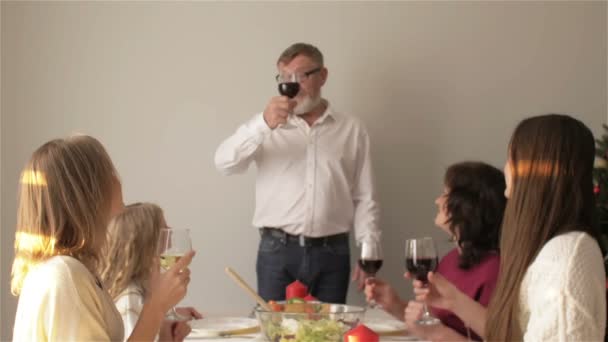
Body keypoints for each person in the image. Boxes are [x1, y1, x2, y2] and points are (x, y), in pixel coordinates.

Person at [413, 114, 607, 341]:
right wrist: (452, 300)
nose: (505, 168)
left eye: (511, 158)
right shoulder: (556, 251)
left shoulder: (564, 257)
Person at [214, 42, 381, 303]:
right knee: (277, 334)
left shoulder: (352, 129)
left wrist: (369, 250)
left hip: (333, 252)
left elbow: (365, 195)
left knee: (329, 332)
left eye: (301, 76)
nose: (292, 85)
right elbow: (224, 163)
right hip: (276, 252)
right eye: (284, 77)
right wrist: (263, 125)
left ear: (323, 75)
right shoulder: (265, 126)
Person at [11, 135, 195, 341]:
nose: (117, 180)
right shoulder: (66, 275)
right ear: (88, 193)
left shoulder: (68, 270)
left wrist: (161, 336)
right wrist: (155, 306)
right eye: (108, 172)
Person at [366, 162, 505, 341]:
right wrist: (396, 305)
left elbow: (496, 337)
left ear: (466, 205)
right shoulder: (451, 260)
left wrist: (437, 333)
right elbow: (433, 324)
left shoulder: (493, 271)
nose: (437, 200)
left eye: (445, 194)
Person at [100, 202, 203, 340]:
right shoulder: (130, 298)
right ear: (146, 244)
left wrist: (168, 315)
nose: (170, 231)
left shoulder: (141, 289)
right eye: (164, 229)